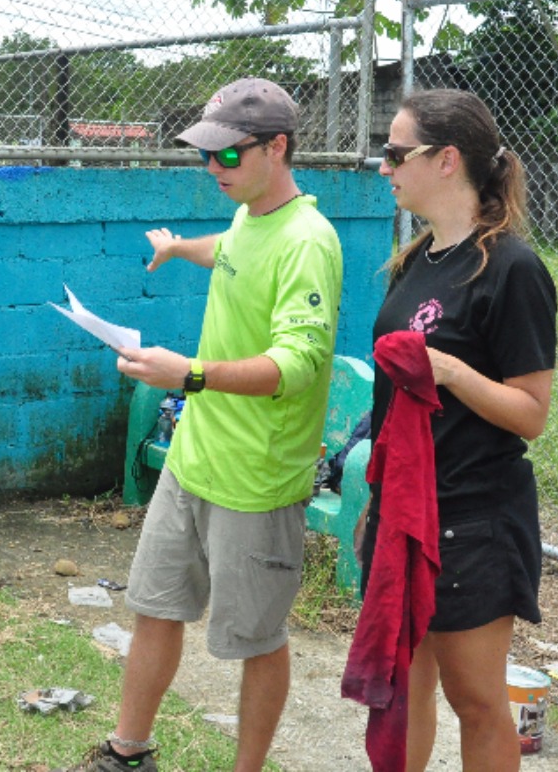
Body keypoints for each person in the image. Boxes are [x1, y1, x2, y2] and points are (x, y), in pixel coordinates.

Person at [58, 77, 344, 772]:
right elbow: (235, 249)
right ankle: (126, 753)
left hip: (256, 480)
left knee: (256, 640)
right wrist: (182, 247)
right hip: (195, 459)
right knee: (155, 606)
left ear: (277, 148)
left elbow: (298, 363)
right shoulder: (251, 215)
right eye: (205, 155)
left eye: (228, 155)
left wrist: (187, 373)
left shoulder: (309, 241)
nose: (213, 167)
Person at [358, 88, 557, 772]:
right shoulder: (417, 260)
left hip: (470, 519)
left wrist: (451, 371)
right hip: (404, 511)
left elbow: (532, 412)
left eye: (395, 153)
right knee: (402, 687)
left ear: (446, 160)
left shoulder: (512, 268)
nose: (384, 166)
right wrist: (377, 505)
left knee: (474, 698)